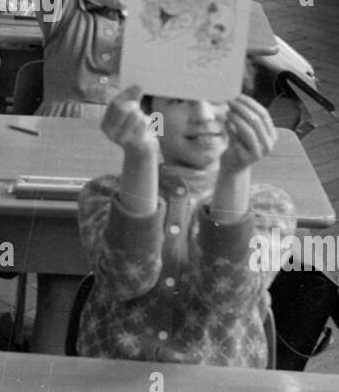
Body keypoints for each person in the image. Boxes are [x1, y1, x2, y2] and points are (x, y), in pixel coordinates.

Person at [75, 86, 295, 366]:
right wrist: (140, 156)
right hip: (111, 383)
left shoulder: (271, 206)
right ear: (147, 113)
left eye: (217, 95)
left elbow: (227, 296)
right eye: (178, 99)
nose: (203, 115)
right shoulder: (103, 193)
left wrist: (234, 171)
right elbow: (126, 280)